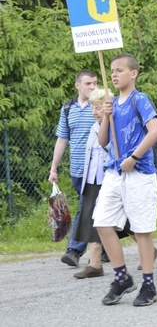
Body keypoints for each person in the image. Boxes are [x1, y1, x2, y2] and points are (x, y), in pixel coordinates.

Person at [94, 53, 157, 307]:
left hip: (139, 172)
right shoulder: (111, 102)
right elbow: (103, 142)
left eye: (119, 70)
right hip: (114, 172)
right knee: (102, 222)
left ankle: (149, 284)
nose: (113, 74)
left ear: (133, 73)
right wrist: (105, 116)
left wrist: (134, 156)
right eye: (112, 70)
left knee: (142, 230)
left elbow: (155, 131)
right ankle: (122, 277)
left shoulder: (139, 99)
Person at [49, 69, 97, 267]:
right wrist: (54, 168)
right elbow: (62, 139)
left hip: (96, 169)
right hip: (77, 170)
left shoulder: (100, 105)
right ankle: (105, 247)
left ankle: (74, 250)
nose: (93, 87)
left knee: (85, 208)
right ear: (78, 85)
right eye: (88, 83)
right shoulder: (68, 108)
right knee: (95, 210)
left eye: (95, 83)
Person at [70, 87, 111, 279]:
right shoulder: (94, 127)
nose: (95, 112)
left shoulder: (112, 126)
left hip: (107, 180)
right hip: (91, 181)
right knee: (91, 219)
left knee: (118, 222)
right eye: (92, 108)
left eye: (98, 108)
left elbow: (113, 150)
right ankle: (95, 264)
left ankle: (148, 248)